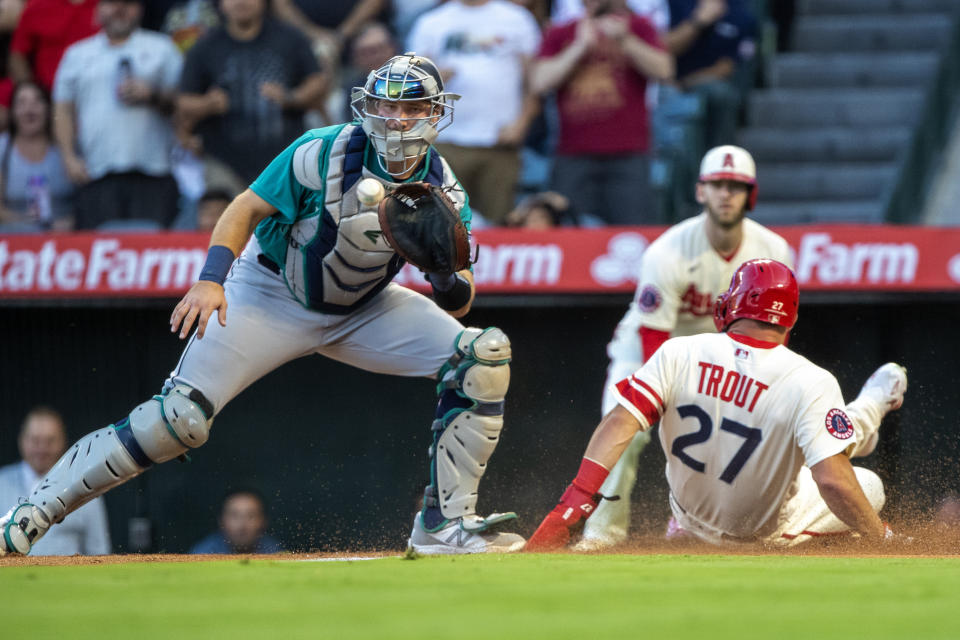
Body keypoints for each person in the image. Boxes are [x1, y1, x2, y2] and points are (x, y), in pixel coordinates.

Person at [0, 54, 524, 557]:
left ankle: (443, 525)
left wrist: (438, 269)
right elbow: (244, 207)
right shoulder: (323, 150)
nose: (397, 118)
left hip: (365, 307)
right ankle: (28, 515)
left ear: (435, 113)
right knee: (177, 420)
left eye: (411, 107)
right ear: (369, 106)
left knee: (482, 356)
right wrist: (211, 280)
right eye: (387, 106)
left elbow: (460, 301)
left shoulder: (445, 191)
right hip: (270, 290)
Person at [579, 145, 897, 549]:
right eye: (717, 185)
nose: (726, 194)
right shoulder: (668, 251)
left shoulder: (773, 249)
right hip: (660, 353)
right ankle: (601, 536)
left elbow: (774, 332)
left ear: (751, 194)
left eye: (735, 185)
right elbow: (655, 337)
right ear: (700, 192)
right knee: (624, 429)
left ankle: (693, 521)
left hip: (732, 350)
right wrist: (661, 404)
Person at [527, 259, 908, 550]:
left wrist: (575, 500)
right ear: (788, 319)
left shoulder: (680, 350)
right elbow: (833, 481)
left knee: (820, 436)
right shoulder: (811, 379)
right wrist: (881, 537)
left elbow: (619, 422)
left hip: (688, 518)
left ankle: (865, 414)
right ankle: (872, 407)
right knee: (865, 481)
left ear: (732, 304)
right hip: (761, 534)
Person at [530, 0, 673, 225]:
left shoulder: (638, 27)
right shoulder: (562, 32)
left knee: (632, 232)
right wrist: (578, 47)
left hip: (629, 154)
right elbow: (539, 82)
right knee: (570, 232)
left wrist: (625, 40)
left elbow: (664, 70)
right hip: (572, 153)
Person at [407, 0, 542, 224]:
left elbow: (535, 82)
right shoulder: (430, 22)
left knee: (499, 225)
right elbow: (410, 88)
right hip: (445, 142)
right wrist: (433, 79)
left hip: (499, 141)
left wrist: (522, 123)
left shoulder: (517, 19)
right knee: (442, 225)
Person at [53, 0, 183, 230]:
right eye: (112, 2)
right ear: (98, 9)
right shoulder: (77, 54)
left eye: (128, 3)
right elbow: (62, 109)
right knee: (97, 254)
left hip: (153, 170)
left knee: (151, 252)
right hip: (95, 172)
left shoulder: (162, 48)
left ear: (141, 9)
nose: (120, 9)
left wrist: (152, 94)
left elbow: (183, 102)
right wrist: (69, 158)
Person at [177, 0, 327, 194]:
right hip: (224, 162)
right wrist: (208, 103)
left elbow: (318, 82)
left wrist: (291, 97)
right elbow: (183, 102)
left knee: (287, 222)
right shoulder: (205, 46)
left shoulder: (290, 38)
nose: (241, 2)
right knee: (225, 222)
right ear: (220, 4)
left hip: (286, 159)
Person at [0, 407, 111, 556]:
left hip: (67, 579)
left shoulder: (85, 487)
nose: (41, 448)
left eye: (50, 441)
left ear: (63, 441)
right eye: (35, 440)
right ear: (22, 441)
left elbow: (99, 551)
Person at [662, 0, 757, 149]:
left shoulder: (740, 13)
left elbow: (726, 67)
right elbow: (663, 49)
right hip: (666, 80)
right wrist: (698, 21)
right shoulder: (675, 4)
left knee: (720, 94)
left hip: (702, 83)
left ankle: (718, 161)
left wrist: (686, 82)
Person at [0, 81, 74, 230]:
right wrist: (25, 224)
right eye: (22, 102)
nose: (29, 109)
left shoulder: (66, 145)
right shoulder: (2, 148)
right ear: (12, 112)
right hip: (15, 239)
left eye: (37, 101)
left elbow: (87, 201)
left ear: (49, 109)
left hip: (67, 240)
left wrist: (70, 223)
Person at [8, 0, 98, 94]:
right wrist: (30, 89)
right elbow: (18, 54)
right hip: (49, 94)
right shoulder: (38, 6)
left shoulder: (106, 6)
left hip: (98, 91)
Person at [190, 489, 282, 554]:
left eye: (251, 516)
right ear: (221, 521)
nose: (242, 525)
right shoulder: (203, 553)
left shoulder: (275, 553)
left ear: (263, 522)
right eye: (234, 515)